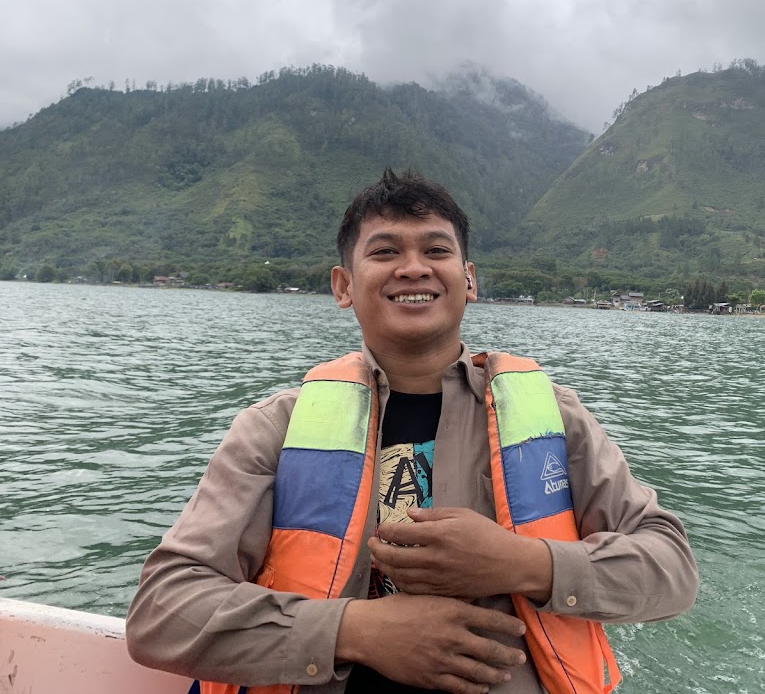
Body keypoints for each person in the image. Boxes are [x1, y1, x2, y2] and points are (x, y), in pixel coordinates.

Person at [125, 168, 699, 694]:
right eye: (385, 251)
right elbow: (161, 613)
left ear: (468, 279)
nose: (414, 268)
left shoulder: (555, 418)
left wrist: (522, 562)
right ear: (343, 285)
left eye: (436, 250)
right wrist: (356, 630)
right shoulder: (275, 429)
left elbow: (671, 568)